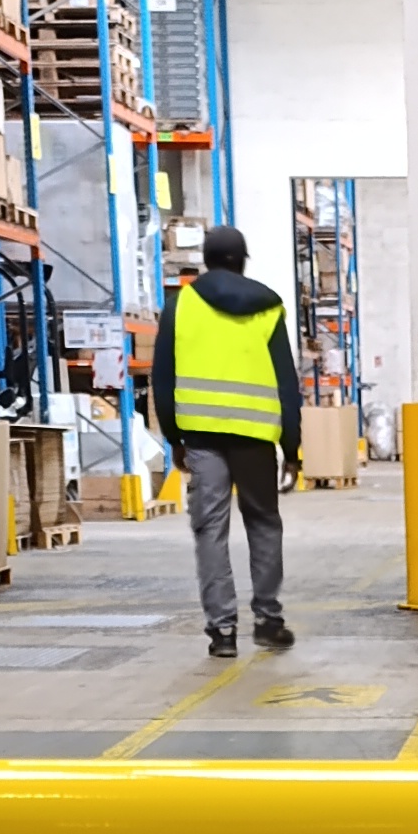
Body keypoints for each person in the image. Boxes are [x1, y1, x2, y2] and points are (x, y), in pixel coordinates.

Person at [151, 223, 301, 659]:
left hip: (201, 437)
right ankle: (268, 621)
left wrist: (173, 437)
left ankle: (222, 632)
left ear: (206, 260)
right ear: (243, 261)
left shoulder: (180, 306)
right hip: (256, 438)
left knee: (210, 530)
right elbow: (286, 383)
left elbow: (163, 378)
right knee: (264, 524)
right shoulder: (268, 306)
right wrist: (292, 449)